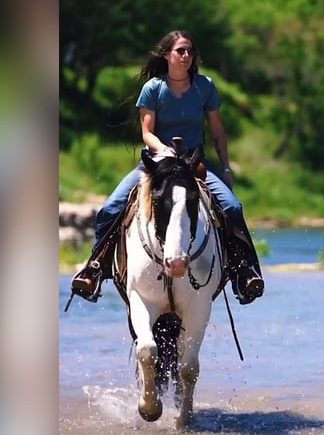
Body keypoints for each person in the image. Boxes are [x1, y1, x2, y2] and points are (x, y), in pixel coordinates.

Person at [71, 29, 264, 305]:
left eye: (190, 51)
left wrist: (226, 168)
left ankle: (244, 273)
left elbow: (218, 131)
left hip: (195, 163)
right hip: (156, 163)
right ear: (166, 55)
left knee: (232, 207)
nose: (186, 56)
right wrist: (162, 149)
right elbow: (146, 132)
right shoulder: (154, 88)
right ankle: (95, 269)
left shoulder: (205, 86)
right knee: (110, 207)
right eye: (180, 51)